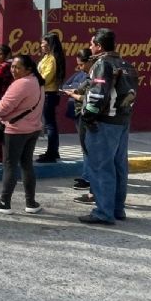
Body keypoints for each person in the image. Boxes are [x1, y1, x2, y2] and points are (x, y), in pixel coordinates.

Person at [79, 28, 132, 225]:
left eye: (92, 44)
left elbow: (98, 92)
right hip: (122, 121)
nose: (90, 47)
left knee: (101, 167)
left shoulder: (102, 64)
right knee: (119, 167)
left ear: (99, 46)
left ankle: (103, 212)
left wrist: (88, 116)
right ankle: (117, 209)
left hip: (103, 122)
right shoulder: (125, 64)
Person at [0, 54, 44, 215]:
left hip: (15, 130)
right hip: (32, 128)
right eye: (12, 66)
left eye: (18, 67)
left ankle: (4, 202)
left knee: (10, 165)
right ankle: (30, 202)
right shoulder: (37, 81)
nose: (13, 70)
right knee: (26, 165)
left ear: (28, 69)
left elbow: (4, 107)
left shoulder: (21, 84)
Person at [62, 48, 94, 195]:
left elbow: (86, 96)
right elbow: (66, 86)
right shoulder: (81, 75)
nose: (80, 68)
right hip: (79, 113)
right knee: (85, 147)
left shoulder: (94, 76)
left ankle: (90, 179)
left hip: (88, 114)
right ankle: (87, 176)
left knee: (89, 148)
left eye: (81, 64)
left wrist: (75, 94)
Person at [36, 32, 67, 163]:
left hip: (49, 94)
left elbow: (45, 78)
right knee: (49, 123)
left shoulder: (52, 59)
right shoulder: (47, 57)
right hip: (46, 93)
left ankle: (52, 153)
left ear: (50, 45)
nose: (41, 45)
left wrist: (33, 82)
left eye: (44, 43)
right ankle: (53, 151)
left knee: (50, 124)